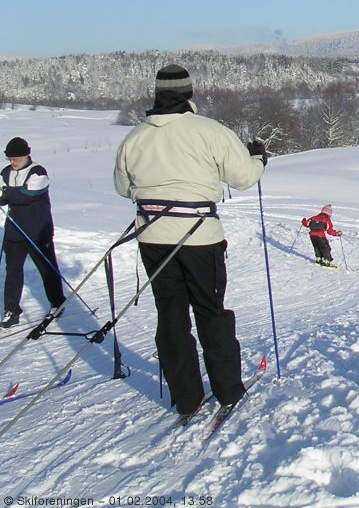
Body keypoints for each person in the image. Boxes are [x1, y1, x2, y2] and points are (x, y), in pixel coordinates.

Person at [113, 64, 266, 418]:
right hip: (199, 236)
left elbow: (123, 188)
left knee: (170, 314)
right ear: (189, 95)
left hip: (152, 236)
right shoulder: (208, 130)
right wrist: (258, 158)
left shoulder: (135, 136)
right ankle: (227, 391)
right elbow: (242, 177)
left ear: (156, 96)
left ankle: (186, 398)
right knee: (210, 311)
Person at [0, 137, 66, 328]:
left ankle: (57, 303)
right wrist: (4, 196)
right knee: (12, 271)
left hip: (38, 230)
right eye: (10, 159)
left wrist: (6, 194)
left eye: (17, 158)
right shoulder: (5, 173)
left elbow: (28, 194)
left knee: (46, 268)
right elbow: (3, 197)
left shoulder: (38, 172)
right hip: (14, 231)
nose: (13, 162)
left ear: (27, 155)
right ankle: (11, 310)